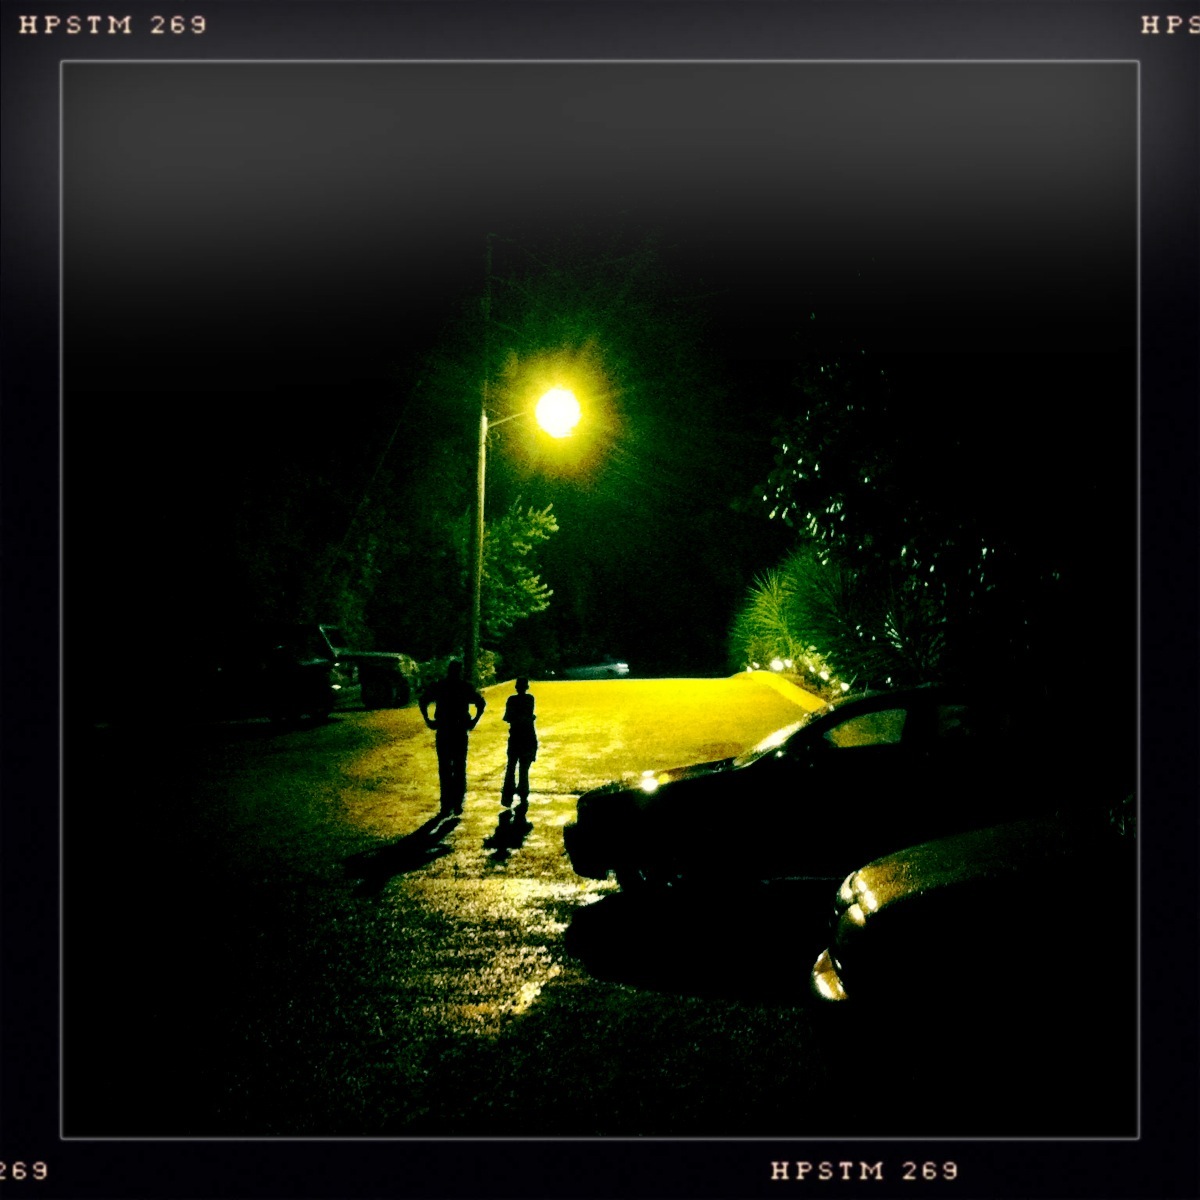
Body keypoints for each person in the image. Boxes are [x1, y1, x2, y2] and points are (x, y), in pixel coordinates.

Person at [419, 661, 486, 815]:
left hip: (444, 728)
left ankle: (446, 803)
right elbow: (481, 703)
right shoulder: (465, 687)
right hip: (459, 729)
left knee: (444, 767)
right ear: (460, 672)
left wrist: (428, 719)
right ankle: (457, 803)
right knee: (459, 766)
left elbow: (423, 700)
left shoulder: (440, 686)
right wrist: (474, 721)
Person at [500, 677, 538, 818]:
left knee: (511, 766)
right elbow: (528, 715)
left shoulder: (511, 700)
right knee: (524, 768)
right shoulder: (530, 699)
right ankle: (523, 794)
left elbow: (508, 717)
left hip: (515, 736)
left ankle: (508, 795)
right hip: (528, 735)